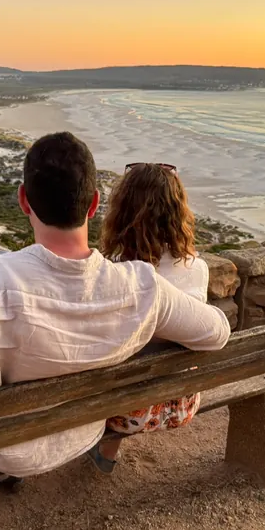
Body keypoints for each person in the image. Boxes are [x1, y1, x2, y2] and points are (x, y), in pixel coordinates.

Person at [0, 133, 231, 480]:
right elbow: (217, 334)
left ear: (24, 200)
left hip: (7, 452)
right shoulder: (142, 286)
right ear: (94, 203)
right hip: (85, 430)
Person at [91, 163, 210, 473]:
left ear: (122, 213)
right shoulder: (196, 268)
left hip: (125, 413)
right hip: (181, 405)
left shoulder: (111, 272)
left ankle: (105, 453)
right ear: (177, 212)